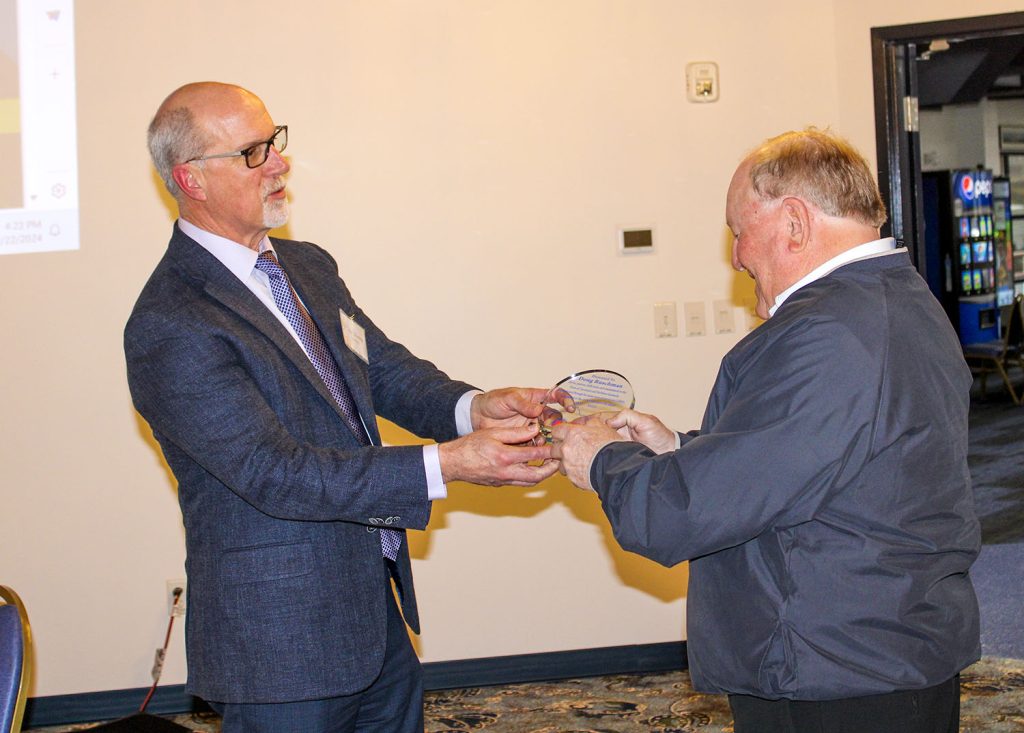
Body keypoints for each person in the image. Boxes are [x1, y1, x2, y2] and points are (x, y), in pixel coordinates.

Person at [125, 81, 560, 733]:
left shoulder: (305, 265)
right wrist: (451, 462)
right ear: (192, 179)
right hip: (282, 644)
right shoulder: (172, 322)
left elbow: (382, 369)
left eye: (275, 141)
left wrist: (475, 407)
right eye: (252, 152)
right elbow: (277, 473)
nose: (279, 162)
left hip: (372, 612)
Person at [551, 129, 980, 733]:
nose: (736, 256)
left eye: (738, 231)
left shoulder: (829, 332)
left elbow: (686, 513)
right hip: (880, 647)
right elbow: (813, 465)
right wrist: (678, 449)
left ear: (796, 223)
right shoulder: (891, 300)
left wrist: (602, 460)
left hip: (838, 669)